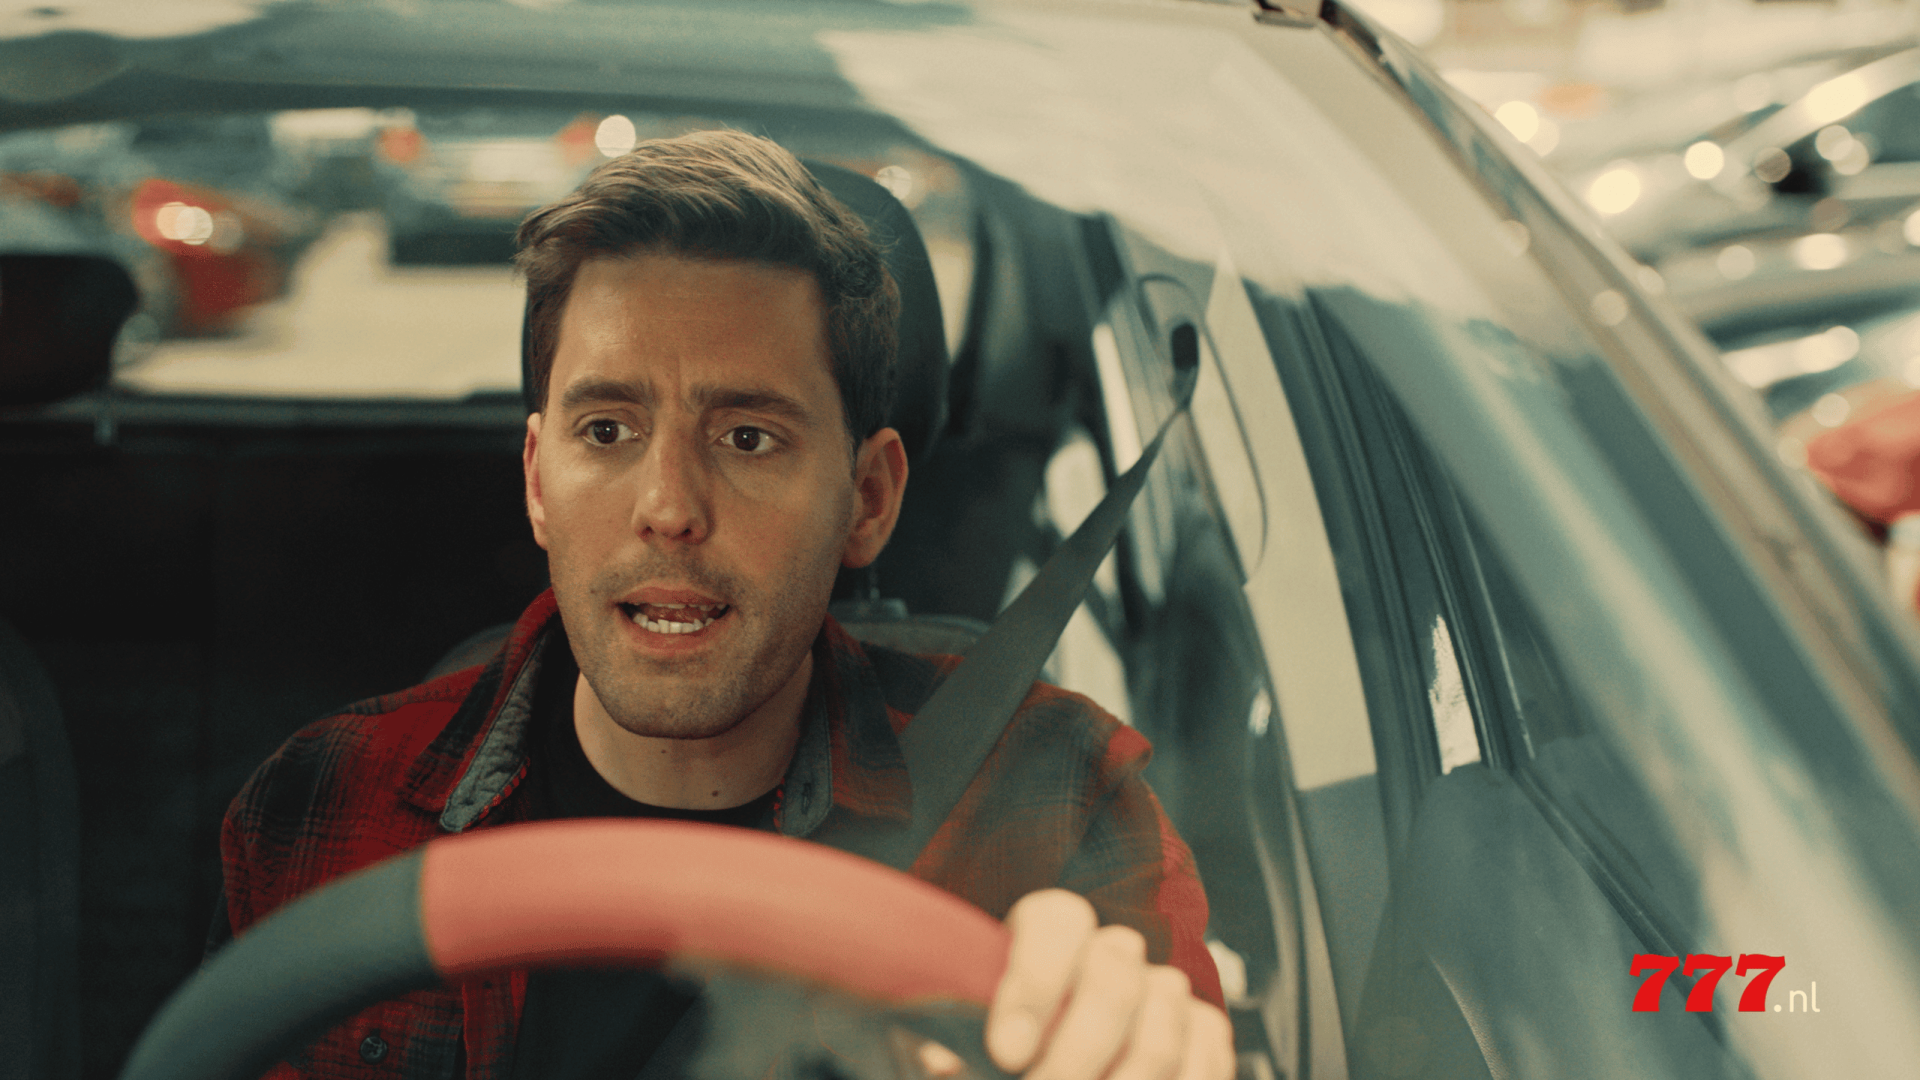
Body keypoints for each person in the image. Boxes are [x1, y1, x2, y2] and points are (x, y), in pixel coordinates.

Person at [214, 129, 1230, 1080]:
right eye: (606, 431)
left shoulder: (1054, 804)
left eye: (748, 438)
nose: (667, 509)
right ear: (536, 480)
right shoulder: (322, 803)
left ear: (868, 499)